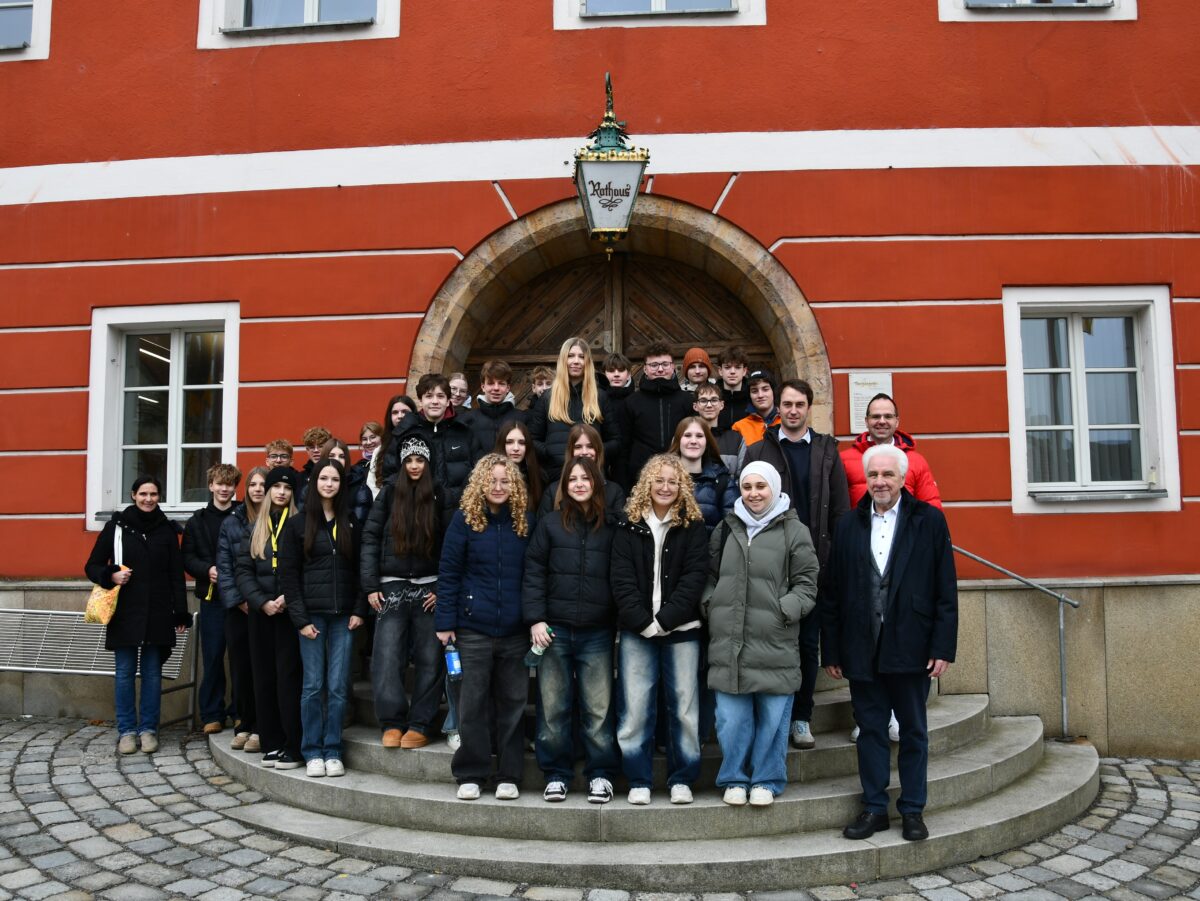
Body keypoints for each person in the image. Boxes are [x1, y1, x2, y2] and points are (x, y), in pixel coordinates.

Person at [822, 444, 957, 843]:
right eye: (874, 476)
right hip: (861, 648)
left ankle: (913, 809)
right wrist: (832, 650)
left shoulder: (929, 521)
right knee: (871, 731)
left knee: (914, 732)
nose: (880, 482)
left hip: (912, 647)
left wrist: (942, 647)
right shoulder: (848, 525)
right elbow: (832, 594)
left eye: (888, 475)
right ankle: (875, 808)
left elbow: (945, 589)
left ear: (902, 478)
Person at [743, 379, 851, 751]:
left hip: (814, 566)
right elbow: (745, 506)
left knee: (807, 645)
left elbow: (840, 509)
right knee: (771, 643)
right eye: (787, 403)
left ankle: (800, 716)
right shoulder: (759, 449)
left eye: (799, 404)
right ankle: (772, 718)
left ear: (809, 407)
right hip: (770, 565)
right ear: (779, 407)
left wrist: (835, 560)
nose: (792, 410)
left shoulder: (826, 451)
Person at [702, 462, 818, 807]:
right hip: (729, 641)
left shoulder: (794, 531)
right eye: (747, 486)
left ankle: (767, 778)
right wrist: (711, 604)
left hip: (775, 641)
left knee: (772, 719)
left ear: (774, 488)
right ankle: (735, 777)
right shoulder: (725, 528)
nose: (753, 493)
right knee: (730, 719)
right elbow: (708, 576)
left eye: (760, 487)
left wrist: (784, 610)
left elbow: (808, 585)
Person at [610, 454, 708, 806]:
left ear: (682, 487)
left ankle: (682, 778)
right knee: (635, 707)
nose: (665, 487)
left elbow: (695, 578)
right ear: (646, 484)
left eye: (672, 481)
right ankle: (639, 778)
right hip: (637, 631)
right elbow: (620, 580)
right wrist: (643, 622)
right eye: (659, 481)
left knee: (683, 707)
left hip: (682, 629)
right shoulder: (628, 523)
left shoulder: (693, 525)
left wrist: (665, 620)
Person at [435, 455, 534, 801]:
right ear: (480, 483)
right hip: (472, 629)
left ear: (514, 485)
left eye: (505, 481)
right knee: (471, 704)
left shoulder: (525, 522)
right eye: (491, 480)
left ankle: (508, 773)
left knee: (513, 703)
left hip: (515, 631)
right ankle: (471, 772)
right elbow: (448, 574)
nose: (498, 486)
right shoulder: (464, 521)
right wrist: (445, 621)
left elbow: (534, 575)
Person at [523, 456, 620, 805]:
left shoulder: (611, 525)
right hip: (554, 631)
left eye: (585, 478)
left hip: (597, 631)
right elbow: (533, 572)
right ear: (564, 485)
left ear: (596, 483)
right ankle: (556, 774)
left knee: (599, 709)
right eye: (572, 479)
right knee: (553, 708)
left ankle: (600, 774)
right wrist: (535, 619)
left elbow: (620, 577)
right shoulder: (549, 525)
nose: (579, 483)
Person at [85, 475, 190, 755]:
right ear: (133, 495)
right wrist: (112, 574)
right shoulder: (117, 527)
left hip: (158, 612)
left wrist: (180, 612)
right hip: (126, 612)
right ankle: (127, 731)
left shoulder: (167, 530)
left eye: (154, 494)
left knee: (153, 674)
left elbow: (176, 575)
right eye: (143, 493)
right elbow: (92, 566)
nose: (148, 499)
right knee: (124, 674)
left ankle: (149, 730)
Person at [278, 459, 366, 778]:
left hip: (344, 616)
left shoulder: (351, 523)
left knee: (339, 686)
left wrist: (359, 609)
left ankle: (333, 749)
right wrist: (300, 619)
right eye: (323, 478)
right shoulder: (298, 524)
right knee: (313, 685)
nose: (329, 484)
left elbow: (360, 572)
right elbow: (288, 576)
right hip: (311, 617)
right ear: (314, 482)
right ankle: (312, 750)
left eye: (335, 479)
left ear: (342, 485)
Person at [361, 436, 445, 750]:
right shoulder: (387, 494)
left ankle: (420, 723)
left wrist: (443, 588)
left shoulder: (438, 495)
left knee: (429, 659)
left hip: (429, 587)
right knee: (386, 658)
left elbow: (450, 544)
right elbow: (369, 538)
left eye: (419, 460)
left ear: (427, 463)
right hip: (391, 587)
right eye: (409, 460)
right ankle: (392, 722)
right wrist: (370, 585)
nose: (414, 465)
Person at [236, 468, 303, 770]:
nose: (280, 492)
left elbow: (306, 569)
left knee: (288, 679)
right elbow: (243, 571)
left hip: (289, 613)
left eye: (286, 488)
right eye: (275, 486)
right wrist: (261, 601)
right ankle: (271, 741)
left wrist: (286, 598)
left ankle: (292, 741)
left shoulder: (300, 525)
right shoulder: (254, 528)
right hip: (261, 615)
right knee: (262, 679)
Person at [182, 463, 241, 735]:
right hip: (212, 597)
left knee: (242, 658)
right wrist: (207, 569)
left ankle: (241, 711)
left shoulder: (244, 515)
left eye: (229, 484)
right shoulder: (197, 520)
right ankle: (212, 714)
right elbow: (188, 557)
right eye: (220, 483)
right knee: (214, 656)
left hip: (241, 598)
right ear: (211, 486)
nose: (224, 489)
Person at [216, 465, 268, 753]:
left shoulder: (277, 518)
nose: (257, 489)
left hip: (265, 607)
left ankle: (261, 727)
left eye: (262, 485)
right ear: (245, 489)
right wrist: (240, 599)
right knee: (241, 669)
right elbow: (225, 567)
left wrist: (259, 600)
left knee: (263, 669)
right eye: (253, 485)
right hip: (239, 609)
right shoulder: (232, 522)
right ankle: (243, 723)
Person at [528, 337, 619, 485]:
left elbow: (615, 441)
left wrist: (594, 452)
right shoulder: (547, 398)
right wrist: (552, 452)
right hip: (556, 476)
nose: (576, 361)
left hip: (592, 476)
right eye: (570, 356)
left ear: (587, 362)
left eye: (581, 357)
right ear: (563, 360)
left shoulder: (600, 397)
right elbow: (532, 439)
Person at [387, 374, 478, 519]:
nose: (435, 401)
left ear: (448, 401)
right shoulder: (405, 432)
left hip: (456, 514)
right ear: (421, 400)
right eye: (429, 396)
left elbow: (476, 473)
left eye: (440, 396)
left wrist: (450, 497)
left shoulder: (464, 432)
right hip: (416, 514)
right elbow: (390, 473)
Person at [841, 393, 942, 509]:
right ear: (866, 421)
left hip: (905, 527)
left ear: (897, 421)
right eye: (876, 417)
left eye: (888, 416)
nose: (882, 421)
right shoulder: (844, 460)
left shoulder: (916, 461)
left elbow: (931, 507)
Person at [618, 342, 692, 490]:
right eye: (654, 365)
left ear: (673, 367)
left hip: (679, 476)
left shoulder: (687, 400)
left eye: (665, 364)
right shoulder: (631, 402)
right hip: (640, 477)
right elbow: (623, 447)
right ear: (645, 368)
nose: (660, 369)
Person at [537, 423, 626, 516]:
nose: (584, 452)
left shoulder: (614, 491)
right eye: (578, 447)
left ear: (598, 451)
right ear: (571, 452)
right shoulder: (552, 491)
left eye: (590, 446)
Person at [668, 416, 736, 533]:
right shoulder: (661, 479)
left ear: (707, 441)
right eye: (687, 435)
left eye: (699, 436)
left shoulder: (723, 481)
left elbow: (731, 528)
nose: (693, 441)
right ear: (678, 440)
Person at [461, 359, 524, 455]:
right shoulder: (467, 419)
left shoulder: (522, 418)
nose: (496, 388)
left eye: (501, 383)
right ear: (483, 387)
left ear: (508, 388)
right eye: (490, 383)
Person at [692, 382, 746, 477]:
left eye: (714, 400)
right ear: (695, 406)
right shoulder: (684, 437)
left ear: (722, 405)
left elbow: (743, 477)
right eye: (703, 400)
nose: (709, 405)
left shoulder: (736, 439)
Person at [494, 420, 545, 511]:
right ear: (502, 444)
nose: (516, 448)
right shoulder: (486, 475)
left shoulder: (538, 476)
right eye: (509, 442)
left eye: (521, 443)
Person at [731, 368, 781, 448]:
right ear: (750, 396)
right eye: (754, 391)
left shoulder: (786, 422)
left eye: (765, 389)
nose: (760, 395)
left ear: (773, 391)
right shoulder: (739, 427)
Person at [352, 420, 385, 523]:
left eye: (373, 437)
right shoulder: (357, 467)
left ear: (382, 437)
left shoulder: (388, 462)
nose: (369, 442)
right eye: (364, 439)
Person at [716, 346, 750, 431]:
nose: (732, 372)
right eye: (727, 367)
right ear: (720, 371)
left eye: (737, 367)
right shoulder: (712, 397)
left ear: (744, 371)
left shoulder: (753, 396)